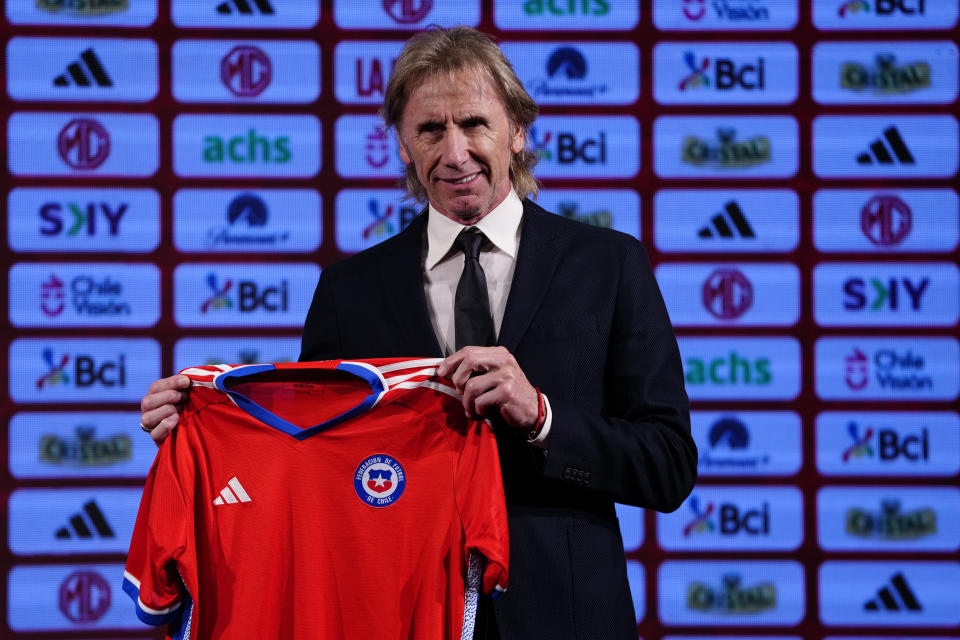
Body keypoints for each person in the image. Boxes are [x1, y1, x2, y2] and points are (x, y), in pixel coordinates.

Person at [139, 26, 696, 640]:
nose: (455, 152)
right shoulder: (349, 291)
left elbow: (668, 466)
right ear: (403, 145)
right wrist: (200, 424)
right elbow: (307, 469)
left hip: (566, 619)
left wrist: (541, 417)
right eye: (430, 130)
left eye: (475, 124)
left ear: (518, 130)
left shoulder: (609, 266)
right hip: (393, 616)